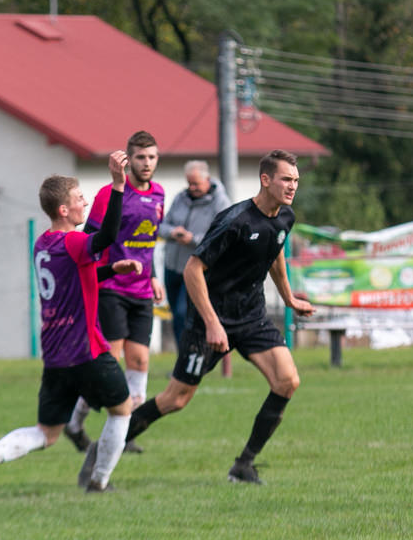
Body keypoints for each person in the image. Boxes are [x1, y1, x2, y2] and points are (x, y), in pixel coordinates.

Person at [115, 149, 315, 485]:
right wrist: (211, 322)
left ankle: (244, 465)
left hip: (251, 317)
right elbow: (194, 270)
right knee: (176, 399)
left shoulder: (285, 217)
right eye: (286, 179)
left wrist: (289, 297)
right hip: (209, 319)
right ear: (266, 180)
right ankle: (109, 446)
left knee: (287, 381)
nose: (292, 185)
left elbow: (275, 252)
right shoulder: (235, 220)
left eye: (295, 180)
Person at [0, 152, 138, 498]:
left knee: (47, 433)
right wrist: (117, 184)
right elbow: (107, 235)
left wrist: (112, 270)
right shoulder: (75, 242)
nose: (84, 202)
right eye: (79, 199)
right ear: (63, 210)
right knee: (122, 409)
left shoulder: (44, 243)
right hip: (87, 349)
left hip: (55, 354)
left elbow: (75, 279)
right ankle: (98, 482)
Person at [63, 130, 165, 454]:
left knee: (140, 360)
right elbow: (91, 238)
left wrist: (154, 276)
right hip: (110, 287)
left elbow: (150, 243)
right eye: (140, 157)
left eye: (151, 157)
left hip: (142, 291)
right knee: (111, 360)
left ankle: (128, 430)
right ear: (128, 159)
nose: (146, 163)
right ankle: (75, 422)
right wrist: (89, 278)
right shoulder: (110, 194)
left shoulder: (160, 193)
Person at [159, 160, 231, 344]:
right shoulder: (180, 198)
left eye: (196, 183)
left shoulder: (221, 202)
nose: (192, 187)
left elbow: (221, 236)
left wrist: (193, 239)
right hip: (172, 266)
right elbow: (163, 226)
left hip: (196, 269)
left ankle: (192, 353)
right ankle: (181, 358)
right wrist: (173, 233)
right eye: (189, 183)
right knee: (176, 314)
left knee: (185, 313)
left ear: (207, 179)